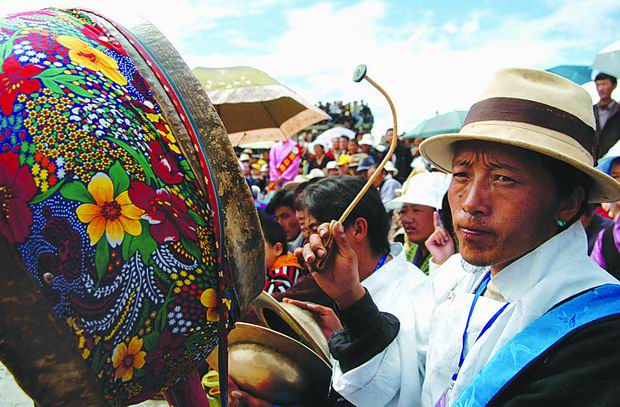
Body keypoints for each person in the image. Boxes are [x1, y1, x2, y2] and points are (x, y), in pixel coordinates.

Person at [299, 68, 620, 406]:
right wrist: (350, 298)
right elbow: (402, 381)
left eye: (503, 179)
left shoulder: (600, 332)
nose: (470, 203)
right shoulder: (457, 280)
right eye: (462, 174)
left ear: (568, 202)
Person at [386, 172, 453, 274]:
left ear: (440, 215)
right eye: (403, 211)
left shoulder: (454, 259)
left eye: (416, 210)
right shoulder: (411, 252)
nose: (407, 219)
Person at [261, 216, 305, 294]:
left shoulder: (287, 268)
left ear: (277, 249)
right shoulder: (272, 268)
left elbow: (277, 292)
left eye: (258, 247)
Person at [593, 73, 620, 158]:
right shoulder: (591, 110)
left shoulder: (618, 110)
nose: (601, 88)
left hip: (611, 158)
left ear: (614, 85)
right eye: (598, 85)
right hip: (591, 156)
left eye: (604, 84)